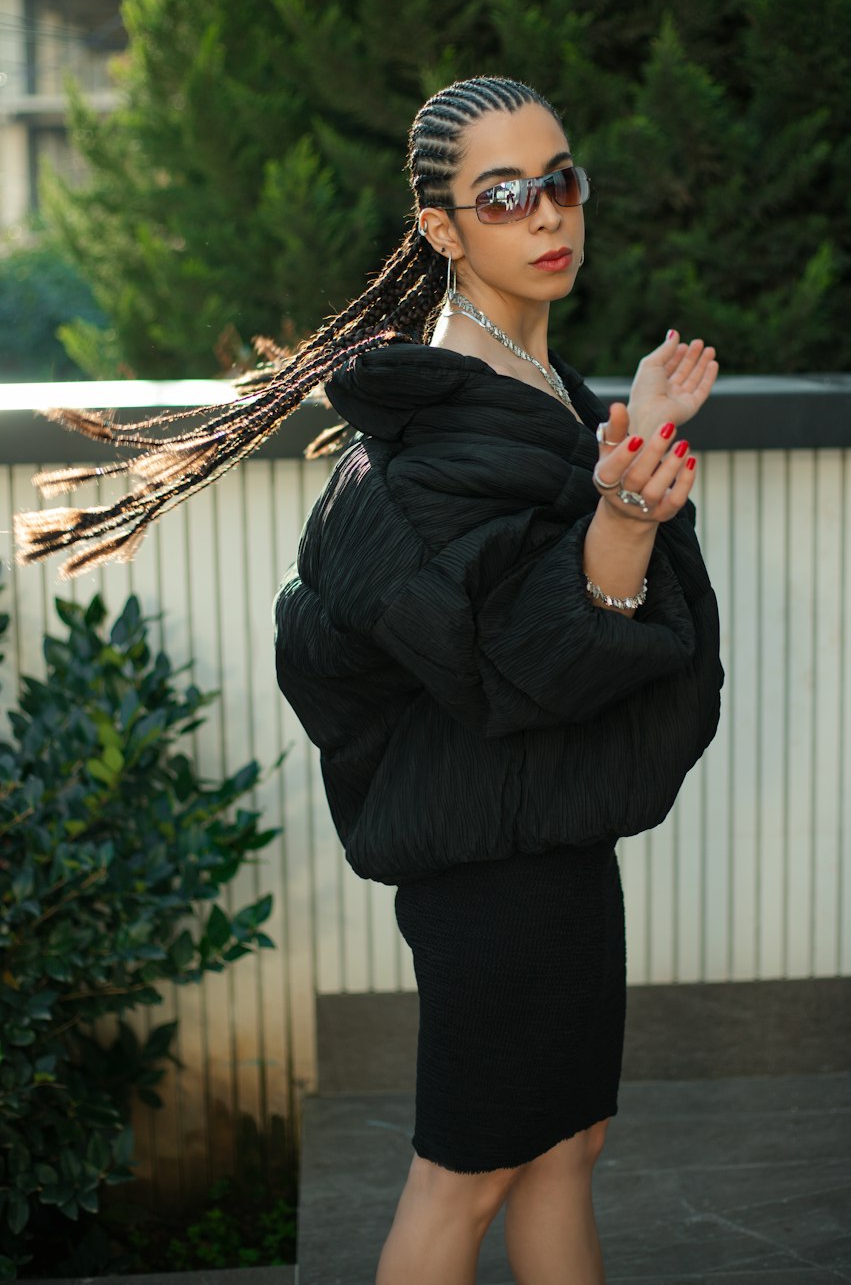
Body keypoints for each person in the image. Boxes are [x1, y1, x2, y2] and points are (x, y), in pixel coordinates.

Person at [15, 75, 724, 1285]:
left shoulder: (533, 381)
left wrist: (624, 475)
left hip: (544, 839)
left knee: (565, 1147)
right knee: (464, 1177)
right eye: (503, 195)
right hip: (490, 869)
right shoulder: (440, 428)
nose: (547, 214)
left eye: (561, 180)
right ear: (443, 229)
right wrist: (624, 503)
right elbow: (529, 660)